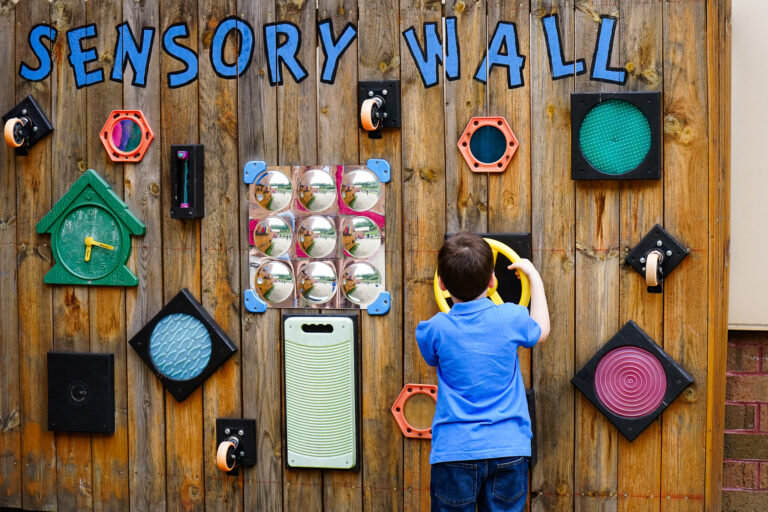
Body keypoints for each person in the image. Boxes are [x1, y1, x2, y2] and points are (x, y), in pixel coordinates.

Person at [416, 231, 550, 512]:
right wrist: (534, 276)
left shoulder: (434, 330)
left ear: (441, 284)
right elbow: (542, 329)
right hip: (508, 448)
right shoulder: (511, 317)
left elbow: (431, 358)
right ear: (492, 281)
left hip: (453, 452)